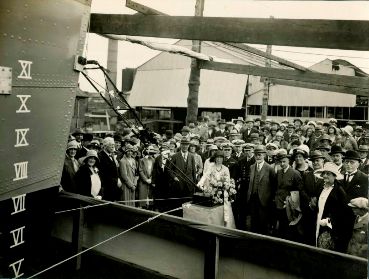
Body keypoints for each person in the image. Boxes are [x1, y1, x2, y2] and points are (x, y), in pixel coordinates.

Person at [315, 162, 354, 253]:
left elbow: (344, 212)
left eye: (328, 174)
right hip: (319, 221)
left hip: (331, 228)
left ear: (334, 176)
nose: (325, 176)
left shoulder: (339, 191)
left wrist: (329, 220)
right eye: (324, 173)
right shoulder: (322, 188)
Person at [197, 151, 236, 228]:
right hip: (213, 191)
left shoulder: (226, 169)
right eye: (217, 158)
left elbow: (228, 181)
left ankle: (225, 225)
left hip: (223, 192)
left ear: (223, 159)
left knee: (224, 208)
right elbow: (205, 176)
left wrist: (224, 185)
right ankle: (214, 225)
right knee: (213, 209)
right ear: (214, 158)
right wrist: (200, 184)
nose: (219, 159)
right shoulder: (211, 167)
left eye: (221, 158)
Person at [274, 149, 304, 241]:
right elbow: (277, 187)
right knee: (280, 225)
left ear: (289, 161)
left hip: (289, 205)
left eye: (284, 162)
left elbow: (299, 190)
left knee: (289, 226)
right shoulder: (279, 172)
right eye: (281, 162)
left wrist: (290, 201)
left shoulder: (295, 173)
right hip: (278, 203)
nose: (282, 164)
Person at [247, 145, 276, 235]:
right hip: (253, 198)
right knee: (253, 221)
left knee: (263, 222)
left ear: (264, 155)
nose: (258, 157)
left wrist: (270, 199)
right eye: (256, 155)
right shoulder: (252, 167)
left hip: (264, 199)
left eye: (260, 155)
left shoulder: (269, 168)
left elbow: (273, 185)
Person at [300, 150, 325, 246]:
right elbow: (302, 189)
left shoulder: (327, 174)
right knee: (307, 233)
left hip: (321, 210)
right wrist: (309, 200)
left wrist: (317, 200)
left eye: (318, 160)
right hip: (308, 209)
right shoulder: (307, 174)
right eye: (313, 161)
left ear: (323, 161)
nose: (315, 163)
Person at [168, 137, 197, 212]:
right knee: (178, 204)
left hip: (189, 185)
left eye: (187, 145)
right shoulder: (175, 156)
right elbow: (168, 169)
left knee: (188, 204)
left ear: (189, 146)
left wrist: (194, 183)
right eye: (183, 144)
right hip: (178, 185)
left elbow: (194, 171)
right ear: (181, 145)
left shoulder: (191, 156)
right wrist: (174, 177)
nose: (185, 146)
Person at [234, 143, 255, 230]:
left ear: (252, 150)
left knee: (251, 208)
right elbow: (238, 174)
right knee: (242, 207)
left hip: (252, 187)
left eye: (249, 150)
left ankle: (251, 227)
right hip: (243, 187)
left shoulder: (255, 160)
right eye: (246, 151)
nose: (247, 152)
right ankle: (241, 227)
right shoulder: (241, 161)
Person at [98, 137, 121, 201]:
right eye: (111, 145)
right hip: (107, 189)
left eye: (113, 145)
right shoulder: (101, 156)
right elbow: (103, 174)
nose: (113, 147)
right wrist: (116, 181)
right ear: (105, 146)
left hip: (113, 188)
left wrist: (118, 178)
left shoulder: (111, 155)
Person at [152, 143, 171, 212]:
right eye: (162, 148)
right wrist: (153, 181)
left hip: (167, 181)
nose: (163, 150)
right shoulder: (157, 158)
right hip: (159, 181)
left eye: (165, 148)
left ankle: (165, 210)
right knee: (158, 195)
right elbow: (154, 170)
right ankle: (157, 209)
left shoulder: (171, 158)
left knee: (166, 195)